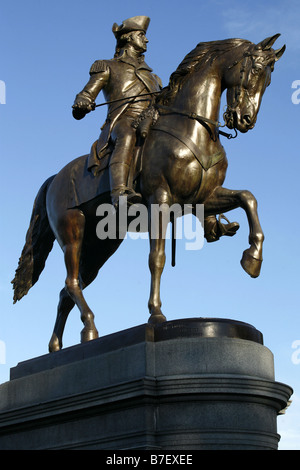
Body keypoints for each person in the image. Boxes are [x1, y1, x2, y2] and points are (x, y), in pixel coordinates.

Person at [72, 16, 162, 208]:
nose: (146, 40)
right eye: (141, 35)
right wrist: (83, 101)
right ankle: (119, 193)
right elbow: (87, 93)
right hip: (123, 120)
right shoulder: (107, 66)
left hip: (151, 122)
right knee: (127, 135)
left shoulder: (154, 77)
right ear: (128, 37)